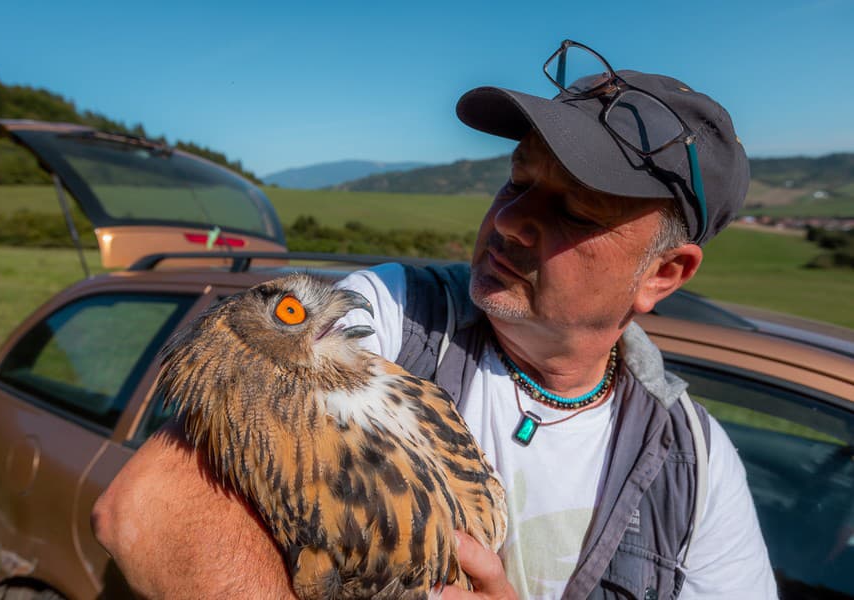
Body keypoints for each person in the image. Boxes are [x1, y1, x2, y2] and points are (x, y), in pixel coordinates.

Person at [92, 40, 777, 599]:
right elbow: (149, 507)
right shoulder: (390, 315)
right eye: (517, 181)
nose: (509, 223)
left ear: (663, 274)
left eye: (573, 212)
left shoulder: (695, 467)